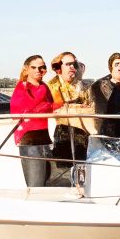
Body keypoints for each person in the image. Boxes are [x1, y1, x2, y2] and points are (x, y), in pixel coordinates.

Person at [8, 55, 55, 187]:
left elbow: (50, 106)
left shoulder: (44, 86)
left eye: (41, 68)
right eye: (34, 67)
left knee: (46, 182)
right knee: (36, 184)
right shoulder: (22, 87)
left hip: (45, 137)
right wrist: (49, 107)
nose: (38, 70)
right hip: (30, 139)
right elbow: (19, 112)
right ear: (26, 69)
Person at [45, 51, 91, 186]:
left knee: (82, 169)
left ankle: (81, 189)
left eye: (74, 64)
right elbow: (59, 108)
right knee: (62, 171)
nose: (72, 67)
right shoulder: (52, 85)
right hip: (62, 130)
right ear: (59, 67)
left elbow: (89, 105)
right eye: (68, 64)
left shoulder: (82, 85)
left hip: (82, 131)